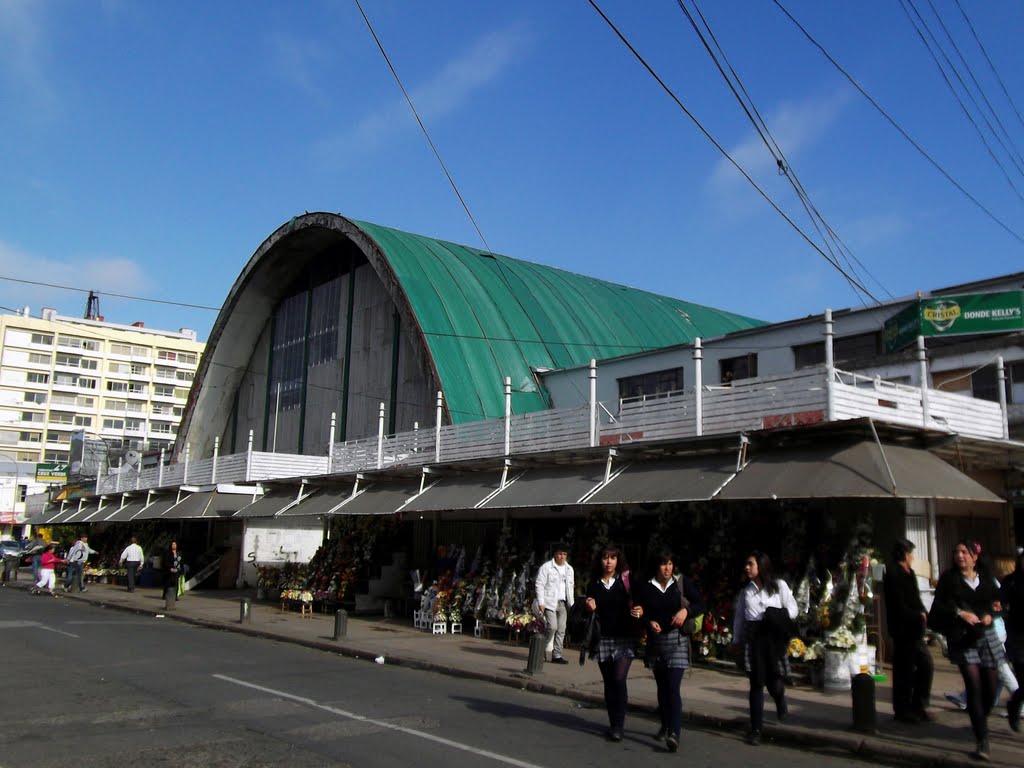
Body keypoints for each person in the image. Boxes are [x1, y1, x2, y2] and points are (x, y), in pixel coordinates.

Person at [929, 540, 1005, 761]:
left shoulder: (986, 579)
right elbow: (941, 605)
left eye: (964, 552)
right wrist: (961, 613)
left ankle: (980, 716)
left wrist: (992, 613)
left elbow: (997, 603)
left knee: (990, 687)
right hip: (962, 637)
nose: (960, 555)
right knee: (973, 684)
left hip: (986, 635)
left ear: (974, 556)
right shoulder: (949, 579)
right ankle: (982, 739)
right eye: (957, 552)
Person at [638, 549, 704, 753]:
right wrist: (648, 622)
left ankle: (674, 733)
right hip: (657, 642)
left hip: (678, 640)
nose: (667, 568)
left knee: (673, 687)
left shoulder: (681, 583)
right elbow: (639, 610)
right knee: (663, 687)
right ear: (656, 566)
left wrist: (686, 611)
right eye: (663, 564)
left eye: (670, 563)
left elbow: (701, 603)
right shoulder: (647, 586)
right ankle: (665, 724)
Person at [732, 551, 798, 746]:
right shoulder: (747, 591)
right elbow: (739, 618)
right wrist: (736, 640)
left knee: (774, 681)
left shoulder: (779, 586)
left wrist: (777, 615)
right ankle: (756, 729)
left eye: (750, 564)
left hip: (772, 637)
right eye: (746, 564)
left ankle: (780, 699)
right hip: (753, 638)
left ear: (761, 566)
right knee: (756, 683)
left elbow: (793, 609)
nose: (747, 567)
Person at [584, 544, 642, 742]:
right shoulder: (594, 583)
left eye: (612, 558)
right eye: (605, 557)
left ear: (618, 561)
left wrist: (639, 610)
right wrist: (590, 608)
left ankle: (619, 724)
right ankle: (613, 724)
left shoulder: (627, 580)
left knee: (619, 678)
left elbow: (641, 600)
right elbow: (588, 610)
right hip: (603, 638)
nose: (608, 562)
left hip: (625, 637)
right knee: (609, 682)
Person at [883, 538, 934, 724]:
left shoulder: (910, 572)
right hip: (902, 628)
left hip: (915, 629)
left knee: (925, 666)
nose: (912, 557)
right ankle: (903, 709)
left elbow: (915, 598)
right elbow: (898, 604)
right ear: (905, 554)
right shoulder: (893, 574)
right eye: (911, 553)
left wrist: (923, 613)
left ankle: (919, 705)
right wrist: (916, 615)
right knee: (904, 670)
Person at [535, 542, 575, 664]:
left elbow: (570, 587)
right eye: (560, 554)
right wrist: (541, 602)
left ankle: (556, 655)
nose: (562, 557)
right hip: (549, 602)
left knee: (562, 628)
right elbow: (539, 584)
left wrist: (572, 604)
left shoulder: (569, 569)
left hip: (562, 603)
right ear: (555, 554)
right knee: (552, 627)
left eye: (564, 554)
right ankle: (540, 650)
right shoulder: (546, 567)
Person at [1000, 546, 1024, 732]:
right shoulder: (1010, 582)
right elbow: (1000, 606)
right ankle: (1015, 706)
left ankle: (1014, 705)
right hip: (1018, 640)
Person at [164, 541, 184, 605]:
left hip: (177, 570)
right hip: (170, 570)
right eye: (173, 544)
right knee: (168, 582)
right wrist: (170, 568)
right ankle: (166, 595)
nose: (174, 545)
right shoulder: (168, 553)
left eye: (175, 544)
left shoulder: (178, 553)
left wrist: (181, 570)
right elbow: (166, 561)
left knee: (176, 583)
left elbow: (181, 562)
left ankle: (175, 596)